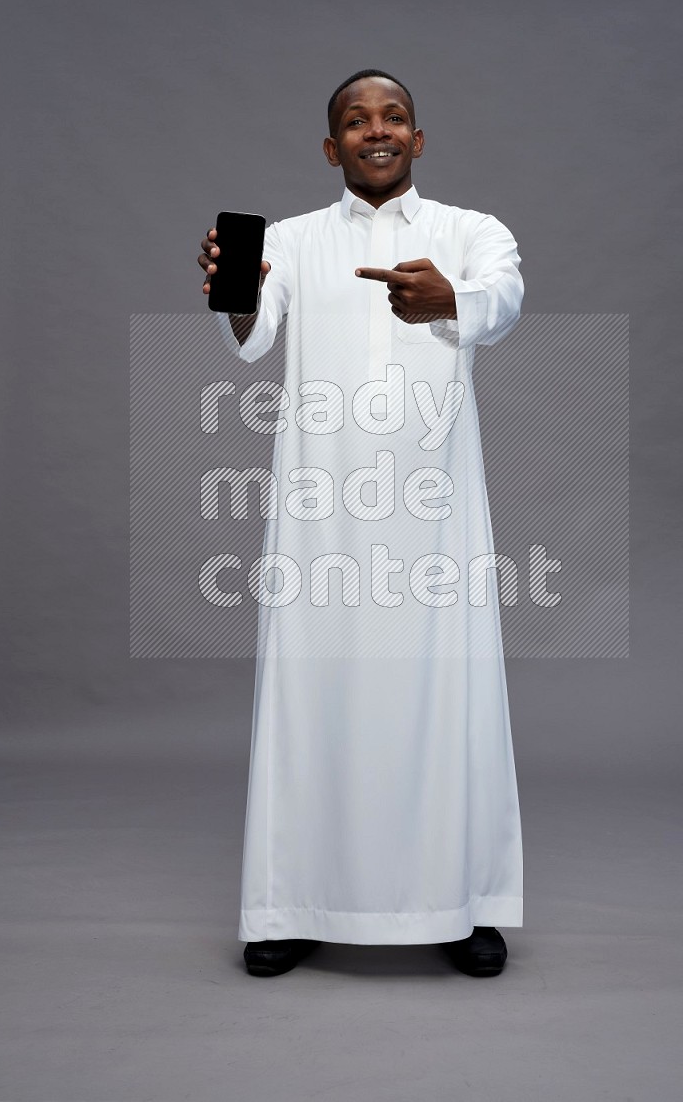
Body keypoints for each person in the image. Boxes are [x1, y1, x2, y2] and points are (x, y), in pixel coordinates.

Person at [198, 70, 525, 978]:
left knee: (449, 699)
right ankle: (293, 900)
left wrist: (448, 301)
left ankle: (465, 902)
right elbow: (252, 335)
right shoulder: (295, 243)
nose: (375, 130)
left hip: (434, 514)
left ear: (418, 139)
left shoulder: (471, 233)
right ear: (331, 146)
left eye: (393, 118)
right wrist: (235, 287)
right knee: (313, 697)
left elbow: (504, 302)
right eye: (355, 120)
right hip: (322, 514)